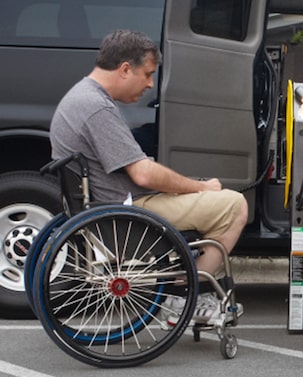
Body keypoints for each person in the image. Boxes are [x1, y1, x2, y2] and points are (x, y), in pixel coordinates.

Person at [50, 29, 248, 324]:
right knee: (234, 205)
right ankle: (187, 298)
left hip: (107, 207)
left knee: (202, 194)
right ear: (125, 69)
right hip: (125, 215)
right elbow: (142, 174)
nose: (150, 84)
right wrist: (200, 187)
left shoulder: (79, 97)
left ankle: (187, 286)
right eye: (147, 74)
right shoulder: (96, 108)